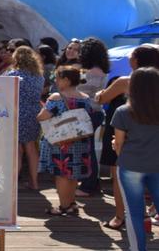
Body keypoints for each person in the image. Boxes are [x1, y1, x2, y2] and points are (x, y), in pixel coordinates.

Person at [95, 45, 159, 230]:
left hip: (126, 131)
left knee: (120, 175)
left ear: (136, 60)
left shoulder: (126, 81)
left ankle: (121, 216)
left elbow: (103, 99)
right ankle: (149, 211)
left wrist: (99, 94)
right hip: (153, 135)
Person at [37, 66, 96, 215]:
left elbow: (43, 117)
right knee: (74, 174)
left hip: (62, 142)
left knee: (62, 174)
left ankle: (64, 206)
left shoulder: (57, 97)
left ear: (66, 80)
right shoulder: (85, 97)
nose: (55, 81)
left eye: (58, 78)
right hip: (80, 141)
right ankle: (71, 203)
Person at [112, 67, 159, 251]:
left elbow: (119, 145)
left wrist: (116, 145)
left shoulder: (123, 111)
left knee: (134, 214)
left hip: (131, 166)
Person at [6, 46, 44, 190]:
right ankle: (35, 182)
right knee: (32, 148)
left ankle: (13, 184)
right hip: (34, 113)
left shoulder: (13, 75)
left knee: (17, 150)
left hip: (16, 112)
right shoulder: (39, 77)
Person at [75, 38, 109, 197]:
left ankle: (88, 185)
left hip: (84, 113)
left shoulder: (84, 72)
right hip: (96, 112)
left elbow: (75, 91)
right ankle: (91, 182)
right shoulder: (103, 71)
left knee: (86, 151)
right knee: (88, 149)